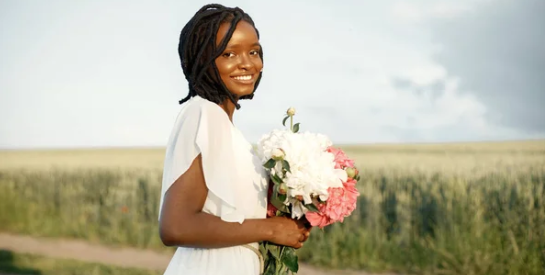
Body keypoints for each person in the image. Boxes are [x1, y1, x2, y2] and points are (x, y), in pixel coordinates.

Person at [158, 4, 311, 275]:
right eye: (229, 53)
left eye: (254, 51)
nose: (247, 63)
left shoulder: (225, 127)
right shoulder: (202, 112)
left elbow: (227, 216)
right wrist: (272, 229)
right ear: (203, 58)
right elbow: (175, 226)